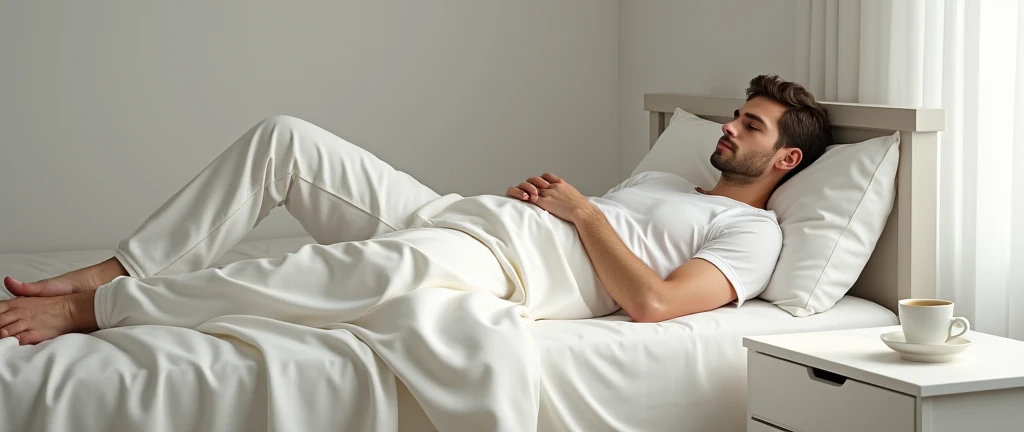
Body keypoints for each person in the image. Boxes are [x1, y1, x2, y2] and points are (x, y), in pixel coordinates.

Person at [0, 74, 832, 345]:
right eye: (733, 114)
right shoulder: (675, 189)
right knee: (285, 138)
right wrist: (557, 207)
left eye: (748, 125)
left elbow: (652, 302)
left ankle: (97, 308)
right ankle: (118, 265)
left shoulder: (753, 233)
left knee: (310, 272)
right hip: (465, 219)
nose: (727, 126)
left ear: (785, 160)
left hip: (501, 268)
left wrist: (581, 215)